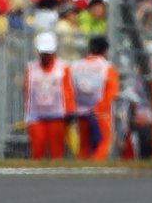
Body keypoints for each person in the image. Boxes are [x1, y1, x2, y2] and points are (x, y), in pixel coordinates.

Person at [23, 31, 73, 160]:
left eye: (48, 52)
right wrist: (27, 113)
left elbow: (68, 91)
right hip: (36, 116)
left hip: (57, 115)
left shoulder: (63, 68)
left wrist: (69, 112)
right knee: (37, 151)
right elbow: (27, 92)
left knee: (57, 152)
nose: (46, 56)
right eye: (43, 53)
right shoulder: (31, 68)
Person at [68, 35, 119, 161]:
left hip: (80, 111)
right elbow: (111, 91)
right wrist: (100, 108)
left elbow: (68, 88)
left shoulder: (75, 65)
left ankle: (81, 170)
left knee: (84, 145)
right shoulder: (107, 67)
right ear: (105, 50)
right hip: (100, 113)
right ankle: (96, 168)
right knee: (102, 144)